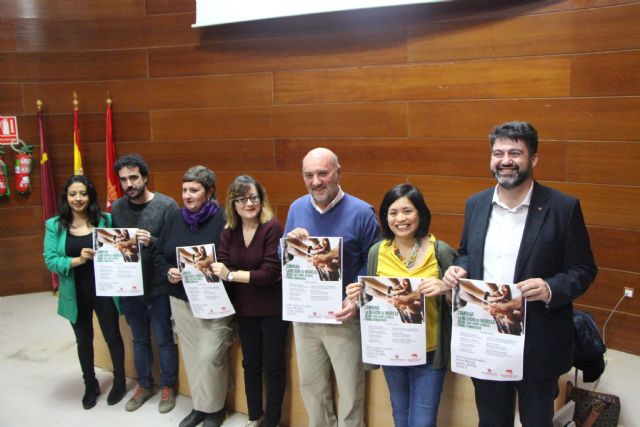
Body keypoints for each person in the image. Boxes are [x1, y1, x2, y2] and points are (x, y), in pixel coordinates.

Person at [443, 121, 597, 426]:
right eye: (498, 153)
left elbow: (584, 269)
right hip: (486, 336)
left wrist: (551, 287)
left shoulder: (563, 207)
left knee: (536, 421)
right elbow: (467, 251)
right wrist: (460, 267)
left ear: (534, 159)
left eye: (516, 152)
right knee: (491, 420)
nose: (506, 160)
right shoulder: (475, 204)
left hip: (538, 342)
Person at [346, 184, 457, 427]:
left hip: (429, 354)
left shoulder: (442, 252)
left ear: (421, 214)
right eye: (393, 212)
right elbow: (375, 302)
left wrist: (446, 288)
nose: (400, 219)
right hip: (392, 351)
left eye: (407, 211)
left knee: (423, 421)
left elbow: (463, 303)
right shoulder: (378, 251)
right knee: (400, 414)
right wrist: (359, 295)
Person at [283, 147, 379, 427]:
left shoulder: (362, 212)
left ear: (338, 172)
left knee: (350, 390)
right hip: (305, 319)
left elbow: (372, 263)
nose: (316, 181)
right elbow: (284, 261)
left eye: (323, 173)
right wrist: (291, 244)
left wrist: (357, 297)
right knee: (311, 387)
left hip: (343, 317)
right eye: (309, 175)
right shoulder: (296, 208)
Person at [153, 165, 232, 427]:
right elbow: (159, 255)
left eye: (194, 190)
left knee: (210, 356)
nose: (187, 195)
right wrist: (169, 272)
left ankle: (215, 410)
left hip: (213, 302)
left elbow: (233, 258)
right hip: (181, 301)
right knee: (192, 356)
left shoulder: (224, 220)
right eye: (184, 189)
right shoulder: (175, 217)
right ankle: (200, 407)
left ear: (209, 192)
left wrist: (222, 270)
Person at [210, 175, 290, 427]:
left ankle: (272, 420)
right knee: (250, 363)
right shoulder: (228, 231)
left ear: (261, 199)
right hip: (244, 308)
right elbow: (222, 262)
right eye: (242, 199)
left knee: (273, 364)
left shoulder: (272, 227)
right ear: (233, 204)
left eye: (254, 197)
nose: (249, 204)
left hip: (272, 308)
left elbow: (269, 274)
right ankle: (255, 416)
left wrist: (233, 274)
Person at [43, 175, 126, 409]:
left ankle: (119, 381)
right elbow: (50, 260)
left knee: (112, 336)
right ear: (66, 197)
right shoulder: (54, 225)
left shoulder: (106, 220)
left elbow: (121, 250)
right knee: (83, 340)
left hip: (105, 290)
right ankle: (90, 384)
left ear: (90, 196)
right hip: (75, 292)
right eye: (73, 194)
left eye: (83, 193)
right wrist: (77, 261)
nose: (78, 199)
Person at [110, 154, 179, 413]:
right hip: (129, 287)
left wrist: (153, 239)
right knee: (139, 340)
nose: (129, 183)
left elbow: (175, 245)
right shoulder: (116, 208)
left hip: (159, 286)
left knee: (164, 339)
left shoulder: (166, 205)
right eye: (124, 179)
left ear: (145, 177)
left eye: (134, 177)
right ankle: (144, 384)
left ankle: (168, 387)